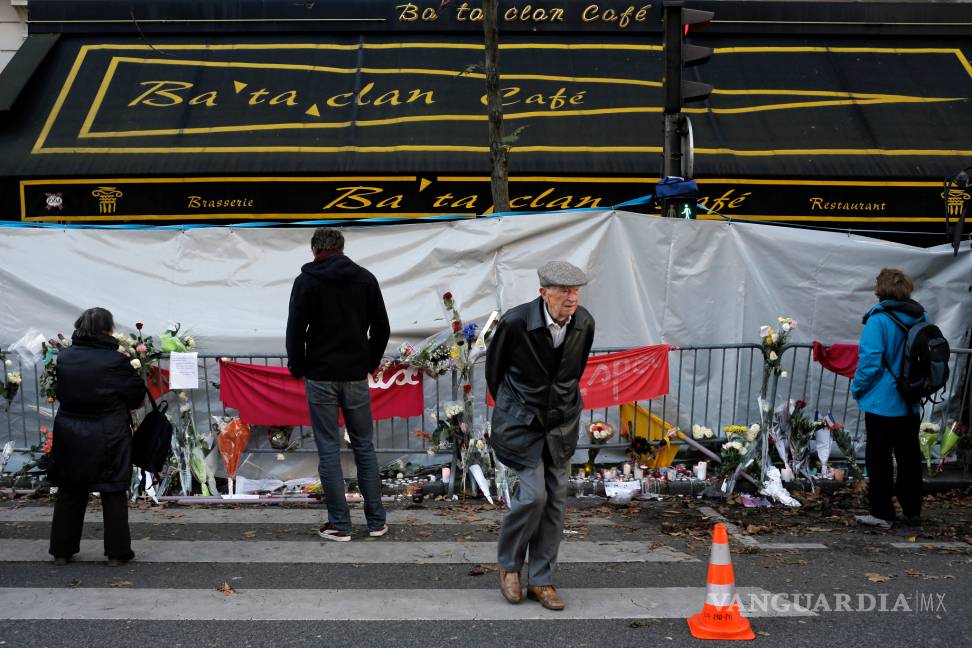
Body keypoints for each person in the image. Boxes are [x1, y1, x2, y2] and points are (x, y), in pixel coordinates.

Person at [486, 260, 595, 611]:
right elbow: (495, 371)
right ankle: (510, 566)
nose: (571, 297)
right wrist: (517, 405)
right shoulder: (516, 322)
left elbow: (572, 372)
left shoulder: (584, 323)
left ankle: (542, 580)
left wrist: (561, 404)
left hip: (561, 423)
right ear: (543, 292)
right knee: (534, 496)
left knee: (556, 501)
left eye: (575, 291)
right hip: (522, 423)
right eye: (563, 291)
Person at [286, 227, 391, 541]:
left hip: (320, 375)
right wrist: (368, 362)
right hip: (355, 374)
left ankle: (340, 525)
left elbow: (294, 330)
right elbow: (381, 328)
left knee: (329, 449)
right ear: (342, 248)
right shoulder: (365, 279)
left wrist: (298, 366)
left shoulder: (305, 281)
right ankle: (376, 522)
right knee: (364, 446)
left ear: (314, 249)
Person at [48, 307, 146, 566]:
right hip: (108, 433)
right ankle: (117, 552)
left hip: (70, 431)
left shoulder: (65, 357)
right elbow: (136, 396)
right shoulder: (115, 361)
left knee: (70, 489)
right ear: (108, 330)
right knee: (112, 490)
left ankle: (61, 550)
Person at [851, 268, 926, 529]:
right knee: (909, 457)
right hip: (910, 400)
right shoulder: (919, 316)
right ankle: (912, 510)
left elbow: (870, 362)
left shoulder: (878, 320)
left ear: (880, 290)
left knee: (879, 458)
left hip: (882, 401)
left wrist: (857, 388)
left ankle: (882, 512)